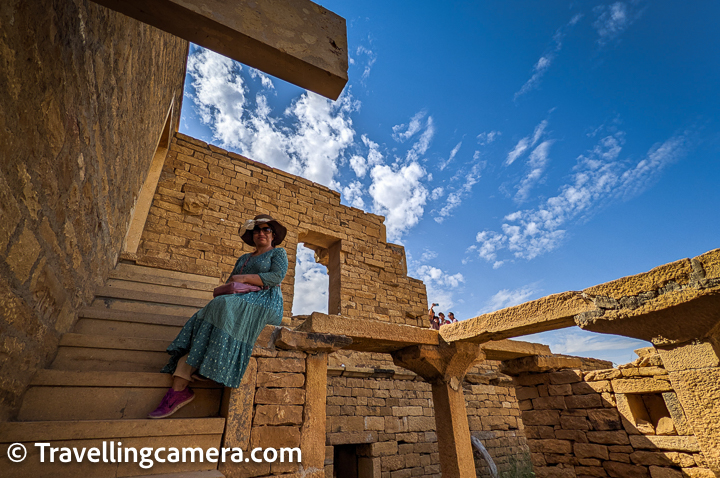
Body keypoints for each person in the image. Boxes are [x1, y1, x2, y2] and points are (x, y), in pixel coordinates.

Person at [148, 214, 289, 418]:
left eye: (266, 229)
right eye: (257, 230)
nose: (261, 233)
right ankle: (181, 387)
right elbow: (230, 282)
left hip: (267, 300)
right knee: (214, 307)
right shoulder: (244, 258)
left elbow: (276, 277)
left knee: (222, 304)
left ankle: (194, 375)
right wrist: (241, 280)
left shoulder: (279, 253)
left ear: (273, 235)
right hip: (241, 298)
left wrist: (243, 277)